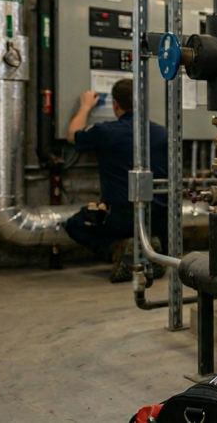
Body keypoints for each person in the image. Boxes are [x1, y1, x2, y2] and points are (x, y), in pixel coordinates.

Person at [64, 78, 170, 282]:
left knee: (75, 224)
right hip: (158, 219)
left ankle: (118, 249)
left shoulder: (105, 132)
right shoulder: (163, 134)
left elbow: (72, 135)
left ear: (115, 104)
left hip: (123, 219)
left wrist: (85, 106)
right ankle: (149, 249)